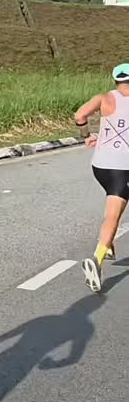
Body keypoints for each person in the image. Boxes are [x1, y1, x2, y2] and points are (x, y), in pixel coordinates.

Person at [75, 64, 129, 293]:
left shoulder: (103, 98)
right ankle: (96, 259)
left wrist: (86, 136)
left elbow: (80, 115)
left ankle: (109, 244)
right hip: (122, 168)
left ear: (115, 79)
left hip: (100, 166)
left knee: (114, 201)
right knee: (113, 215)